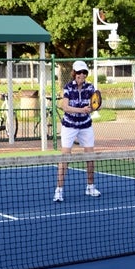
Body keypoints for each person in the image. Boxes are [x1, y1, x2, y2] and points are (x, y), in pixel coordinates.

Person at [53, 60, 100, 202]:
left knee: (90, 156)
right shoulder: (67, 88)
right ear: (74, 73)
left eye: (84, 72)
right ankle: (59, 190)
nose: (81, 75)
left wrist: (93, 108)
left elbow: (96, 105)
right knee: (65, 157)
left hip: (85, 125)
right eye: (79, 72)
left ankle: (90, 186)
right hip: (69, 126)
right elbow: (65, 107)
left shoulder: (90, 88)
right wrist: (82, 110)